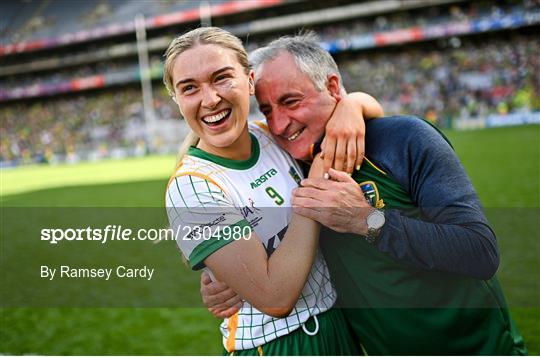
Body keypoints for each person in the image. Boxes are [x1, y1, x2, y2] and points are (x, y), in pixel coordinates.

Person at [202, 34, 528, 355]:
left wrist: (367, 221)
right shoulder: (292, 171)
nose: (280, 124)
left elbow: (480, 252)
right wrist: (227, 277)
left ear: (332, 88)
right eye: (268, 110)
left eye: (290, 101)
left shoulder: (404, 139)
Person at [163, 27, 383, 355]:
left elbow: (364, 116)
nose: (210, 99)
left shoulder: (274, 134)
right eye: (190, 88)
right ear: (177, 99)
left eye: (222, 78)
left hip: (339, 323)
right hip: (276, 344)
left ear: (250, 81)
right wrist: (317, 181)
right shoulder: (190, 187)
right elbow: (275, 297)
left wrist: (352, 104)